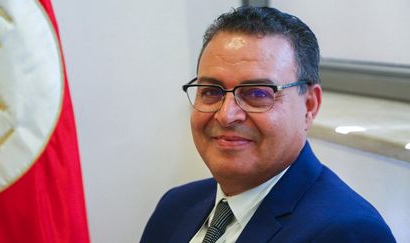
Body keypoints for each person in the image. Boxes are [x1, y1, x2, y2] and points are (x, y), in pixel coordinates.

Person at [140, 6, 395, 243]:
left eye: (258, 94)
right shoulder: (175, 205)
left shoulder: (348, 232)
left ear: (309, 106)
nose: (226, 115)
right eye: (211, 91)